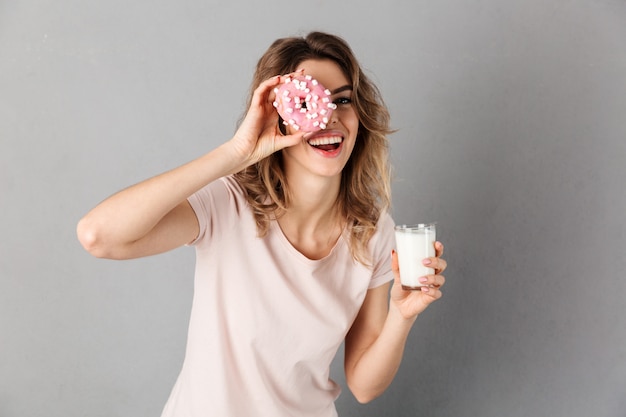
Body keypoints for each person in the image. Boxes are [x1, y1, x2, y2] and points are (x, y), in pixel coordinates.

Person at [77, 31, 447, 417]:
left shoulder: (372, 231)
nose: (330, 116)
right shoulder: (227, 204)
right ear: (279, 115)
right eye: (310, 102)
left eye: (342, 99)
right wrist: (237, 152)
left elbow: (364, 385)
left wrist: (402, 315)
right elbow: (98, 236)